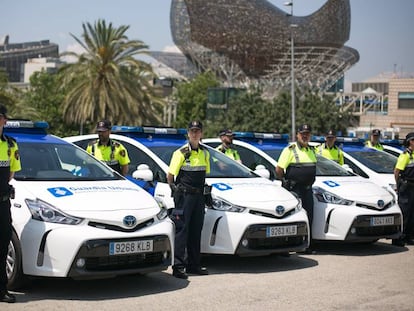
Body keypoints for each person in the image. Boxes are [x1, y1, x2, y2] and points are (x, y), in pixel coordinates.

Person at [167, 120, 211, 279]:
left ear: (201, 133)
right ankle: (178, 267)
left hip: (199, 196)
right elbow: (170, 176)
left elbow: (204, 174)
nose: (195, 134)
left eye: (197, 131)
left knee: (196, 230)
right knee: (182, 230)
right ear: (188, 133)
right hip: (185, 196)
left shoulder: (205, 153)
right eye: (192, 131)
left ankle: (194, 264)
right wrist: (174, 190)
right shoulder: (180, 153)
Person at [276, 124, 317, 254]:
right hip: (295, 190)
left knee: (309, 217)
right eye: (302, 134)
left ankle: (305, 246)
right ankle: (285, 248)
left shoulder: (311, 150)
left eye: (307, 134)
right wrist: (285, 182)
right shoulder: (290, 150)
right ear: (297, 135)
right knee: (291, 219)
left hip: (308, 189)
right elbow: (279, 169)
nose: (305, 136)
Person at [0, 104, 21, 303]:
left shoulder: (10, 145)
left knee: (3, 245)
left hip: (3, 204)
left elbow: (11, 174)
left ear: (4, 120)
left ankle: (1, 289)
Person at [392, 132, 414, 247]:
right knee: (404, 213)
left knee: (411, 213)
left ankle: (408, 236)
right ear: (410, 142)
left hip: (412, 187)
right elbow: (397, 171)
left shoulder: (413, 155)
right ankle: (398, 238)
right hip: (405, 186)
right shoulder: (405, 155)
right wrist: (398, 185)